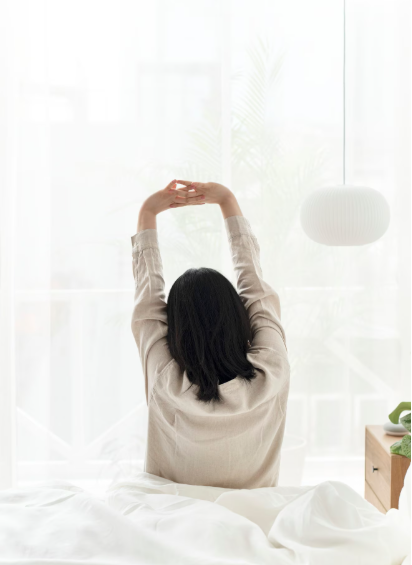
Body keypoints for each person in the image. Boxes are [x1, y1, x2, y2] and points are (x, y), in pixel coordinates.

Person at [131, 179, 290, 488]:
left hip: (172, 514)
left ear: (175, 328)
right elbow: (255, 288)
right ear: (238, 315)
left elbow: (148, 299)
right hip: (253, 513)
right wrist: (227, 200)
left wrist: (148, 212)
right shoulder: (272, 371)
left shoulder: (166, 379)